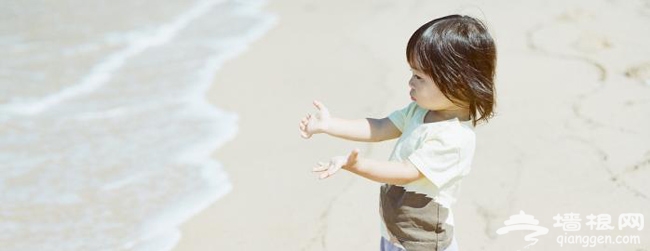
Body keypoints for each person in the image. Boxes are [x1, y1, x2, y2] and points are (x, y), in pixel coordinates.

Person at [298, 14, 496, 251]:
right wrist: (329, 125)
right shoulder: (419, 110)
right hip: (396, 232)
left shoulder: (454, 138)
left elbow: (406, 172)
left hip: (421, 242)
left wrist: (356, 165)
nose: (410, 83)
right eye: (412, 73)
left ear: (459, 83)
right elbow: (380, 127)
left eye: (419, 77)